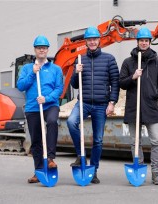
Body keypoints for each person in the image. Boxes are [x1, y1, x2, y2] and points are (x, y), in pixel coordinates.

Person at [67, 26, 120, 184]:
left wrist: (112, 103)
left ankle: (94, 170)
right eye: (89, 40)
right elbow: (75, 85)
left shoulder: (109, 59)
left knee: (98, 140)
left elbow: (115, 83)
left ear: (99, 41)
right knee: (71, 122)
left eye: (94, 39)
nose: (92, 42)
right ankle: (80, 154)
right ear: (86, 42)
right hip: (83, 102)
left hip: (101, 105)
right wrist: (76, 72)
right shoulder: (80, 59)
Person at [119, 27, 158, 185]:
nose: (144, 43)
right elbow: (121, 83)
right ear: (137, 42)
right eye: (141, 40)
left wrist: (155, 94)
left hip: (150, 107)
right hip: (134, 107)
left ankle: (156, 173)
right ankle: (138, 167)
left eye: (146, 41)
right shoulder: (128, 62)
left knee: (156, 140)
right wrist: (133, 77)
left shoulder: (157, 63)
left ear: (149, 42)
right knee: (135, 141)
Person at [17, 35, 63, 183]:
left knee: (52, 122)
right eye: (39, 48)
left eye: (44, 48)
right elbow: (21, 86)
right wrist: (33, 72)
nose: (42, 50)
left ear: (47, 49)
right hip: (32, 107)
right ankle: (38, 171)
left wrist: (47, 98)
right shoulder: (26, 68)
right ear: (35, 50)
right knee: (36, 140)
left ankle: (50, 158)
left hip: (50, 105)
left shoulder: (56, 69)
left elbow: (59, 89)